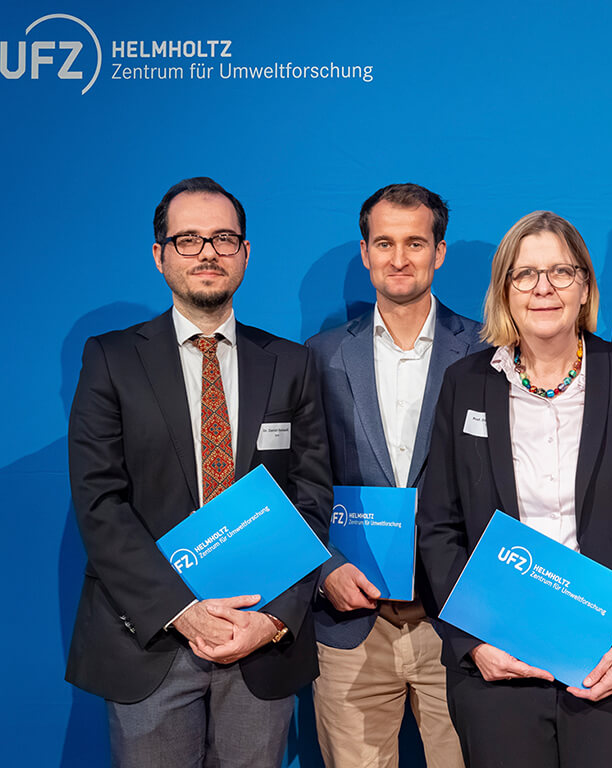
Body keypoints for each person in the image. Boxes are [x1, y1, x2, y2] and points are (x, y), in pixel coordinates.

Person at [66, 177, 332, 767]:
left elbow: (311, 499)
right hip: (152, 638)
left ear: (245, 253)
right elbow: (99, 503)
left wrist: (271, 620)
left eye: (223, 238)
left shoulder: (291, 363)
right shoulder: (111, 359)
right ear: (159, 255)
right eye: (187, 239)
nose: (207, 252)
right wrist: (182, 612)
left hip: (260, 637)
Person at [418, 210, 612, 768]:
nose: (543, 289)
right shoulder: (466, 383)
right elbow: (439, 527)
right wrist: (474, 642)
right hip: (501, 660)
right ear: (504, 290)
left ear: (585, 285)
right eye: (525, 275)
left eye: (561, 273)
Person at [306, 183, 481, 767]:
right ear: (365, 252)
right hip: (353, 625)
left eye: (415, 242)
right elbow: (301, 481)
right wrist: (325, 569)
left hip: (456, 622)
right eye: (385, 243)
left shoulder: (489, 350)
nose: (399, 258)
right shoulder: (321, 355)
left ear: (440, 251)